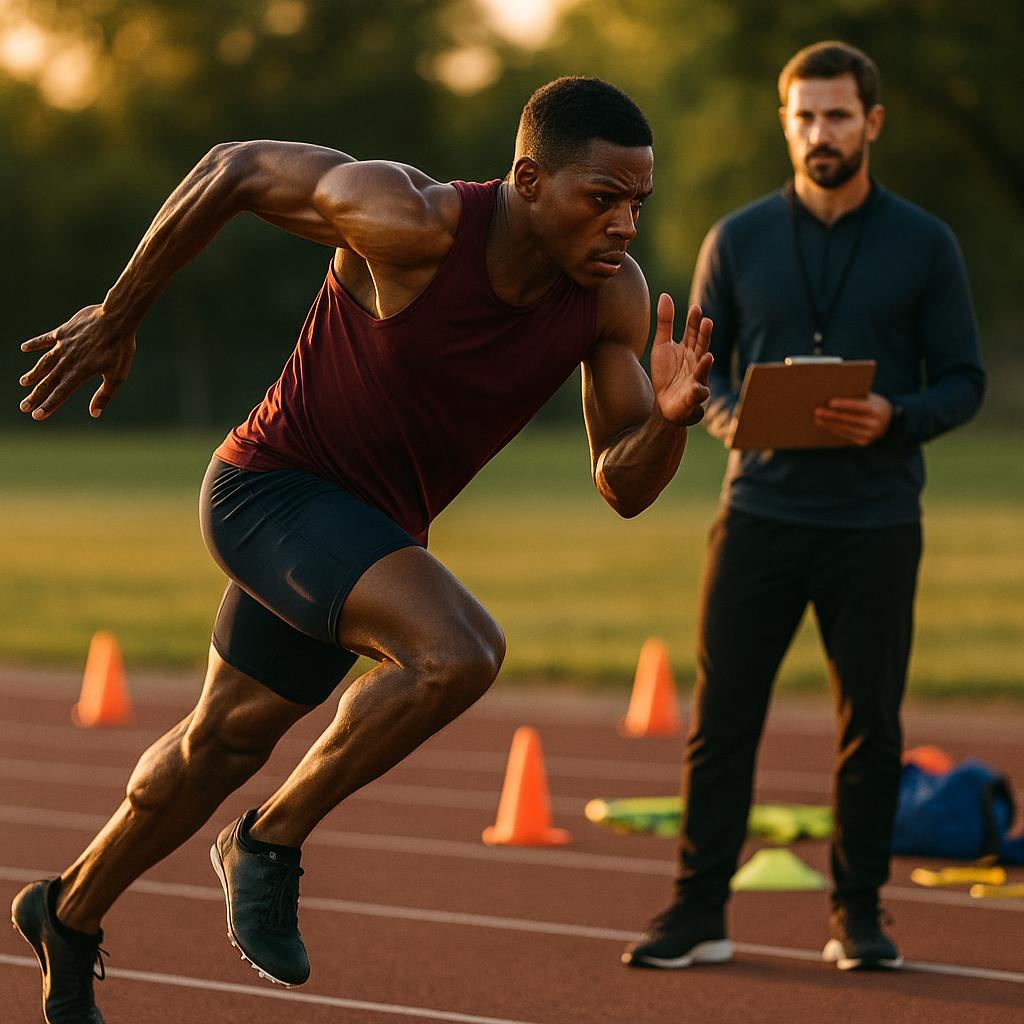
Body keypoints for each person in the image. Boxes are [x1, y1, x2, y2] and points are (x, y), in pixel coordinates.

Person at [12, 76, 713, 1022]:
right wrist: (120, 311)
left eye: (639, 203)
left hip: (366, 536)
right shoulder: (411, 223)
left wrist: (668, 421)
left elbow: (622, 486)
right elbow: (233, 167)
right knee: (458, 651)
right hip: (269, 491)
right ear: (530, 178)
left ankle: (68, 911)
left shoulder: (608, 300)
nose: (625, 224)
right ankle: (266, 841)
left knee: (222, 742)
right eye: (604, 199)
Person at [623, 41, 984, 973]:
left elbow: (965, 382)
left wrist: (892, 416)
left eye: (837, 115)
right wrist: (730, 415)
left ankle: (858, 917)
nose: (820, 133)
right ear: (785, 124)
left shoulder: (926, 243)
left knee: (872, 725)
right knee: (722, 722)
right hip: (760, 519)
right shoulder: (735, 240)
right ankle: (697, 911)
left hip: (875, 522)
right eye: (804, 117)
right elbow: (702, 378)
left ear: (872, 121)